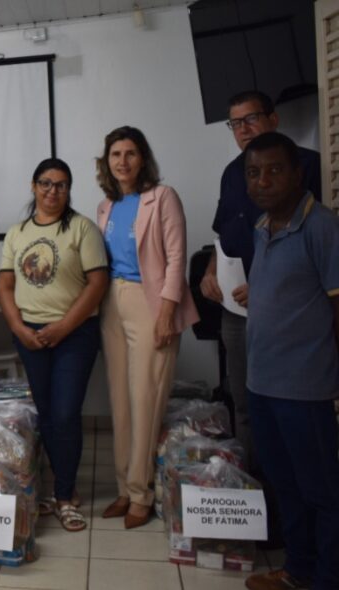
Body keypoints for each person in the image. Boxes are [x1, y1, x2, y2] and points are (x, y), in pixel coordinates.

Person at [199, 90, 321, 465]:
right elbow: (225, 233)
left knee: (293, 406)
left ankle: (293, 487)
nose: (243, 129)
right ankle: (257, 482)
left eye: (251, 119)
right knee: (245, 401)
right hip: (236, 310)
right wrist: (210, 269)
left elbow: (311, 241)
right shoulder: (231, 174)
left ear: (273, 119)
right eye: (235, 123)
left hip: (288, 313)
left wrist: (265, 286)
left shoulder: (309, 165)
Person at [239, 132, 339, 590]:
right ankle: (297, 571)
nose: (262, 181)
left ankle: (326, 578)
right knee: (285, 484)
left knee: (321, 491)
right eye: (253, 172)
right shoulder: (262, 227)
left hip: (304, 388)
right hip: (261, 383)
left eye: (274, 170)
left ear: (298, 173)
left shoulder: (321, 226)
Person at [95, 126, 200, 528]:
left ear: (143, 159)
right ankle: (125, 488)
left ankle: (142, 493)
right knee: (120, 401)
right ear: (107, 162)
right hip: (112, 302)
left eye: (130, 153)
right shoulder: (106, 205)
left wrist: (166, 313)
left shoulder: (163, 197)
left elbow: (176, 258)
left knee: (145, 400)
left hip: (150, 302)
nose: (122, 161)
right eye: (115, 154)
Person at [0, 158, 109, 532]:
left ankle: (65, 496)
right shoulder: (17, 233)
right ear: (33, 186)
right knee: (45, 413)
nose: (52, 190)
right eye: (45, 183)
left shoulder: (82, 228)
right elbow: (5, 285)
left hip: (74, 334)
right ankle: (53, 488)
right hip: (30, 335)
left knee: (65, 414)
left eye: (61, 185)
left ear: (68, 190)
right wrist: (18, 328)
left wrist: (62, 327)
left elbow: (97, 283)